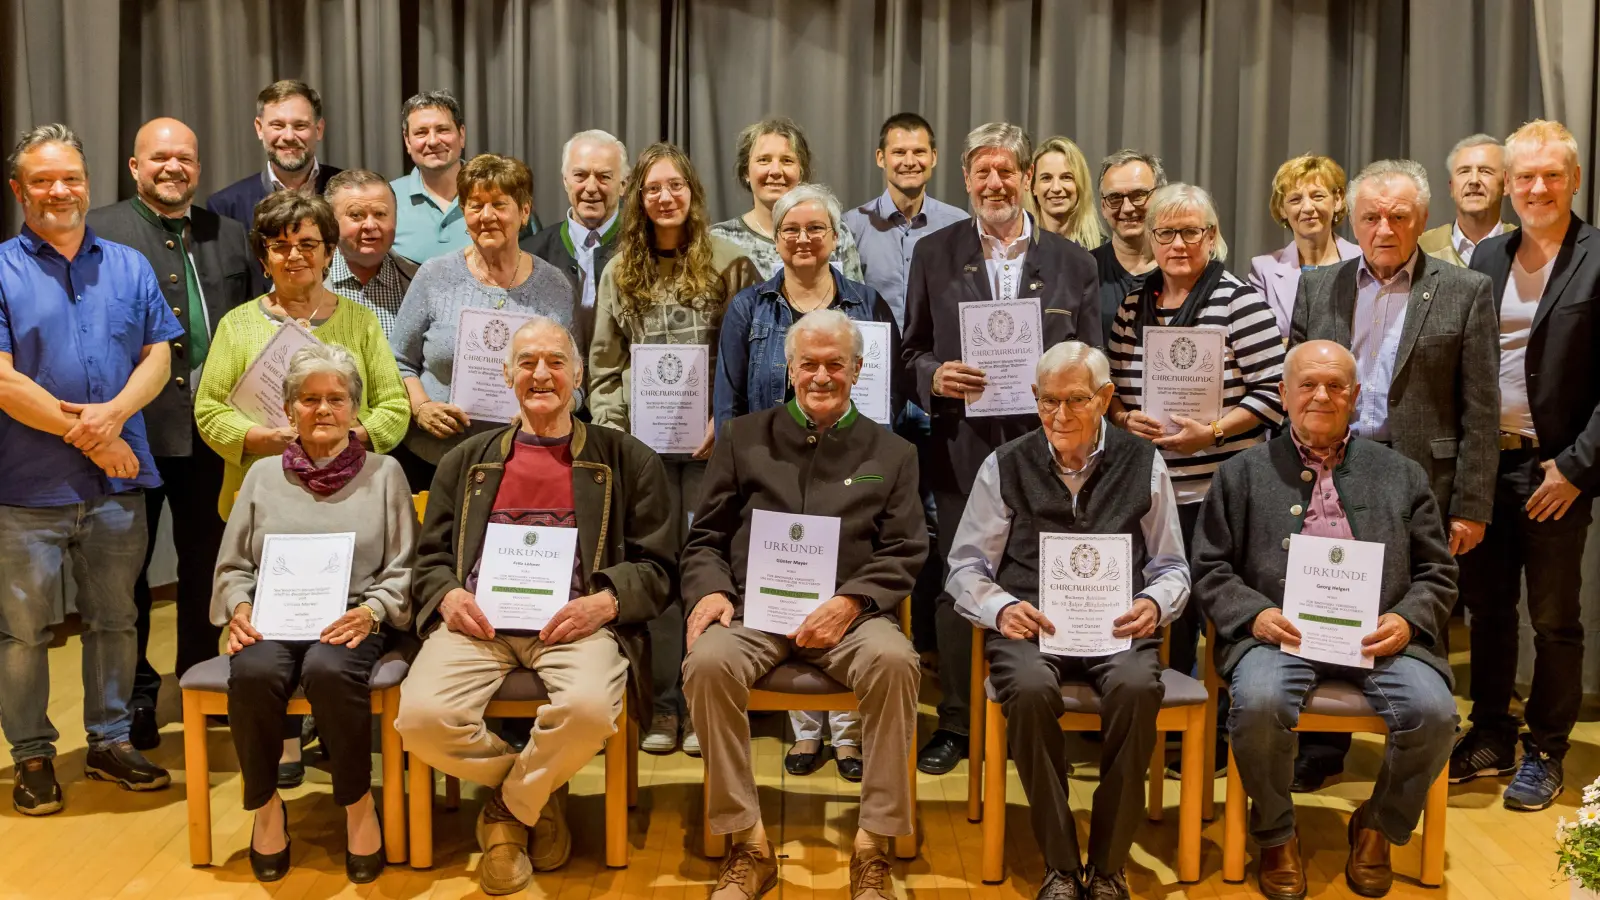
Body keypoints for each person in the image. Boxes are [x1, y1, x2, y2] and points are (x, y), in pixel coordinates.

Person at [395, 316, 674, 895]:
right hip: (479, 626)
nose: (541, 374)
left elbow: (660, 568)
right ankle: (533, 795)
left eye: (554, 362)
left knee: (592, 711)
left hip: (576, 626)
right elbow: (428, 560)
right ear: (506, 375)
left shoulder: (627, 459)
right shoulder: (465, 461)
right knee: (418, 720)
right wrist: (447, 594)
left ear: (577, 374)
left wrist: (605, 601)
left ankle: (506, 811)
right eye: (527, 363)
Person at [1193, 340, 1458, 900]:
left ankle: (1378, 827)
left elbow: (1439, 571)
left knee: (1435, 713)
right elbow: (1209, 568)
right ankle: (1275, 835)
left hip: (1381, 638)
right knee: (1260, 704)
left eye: (1336, 386)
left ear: (1356, 397)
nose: (1321, 395)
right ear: (1284, 395)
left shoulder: (1402, 474)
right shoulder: (1241, 474)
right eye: (1307, 384)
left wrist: (1408, 621)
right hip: (1277, 638)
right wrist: (1256, 614)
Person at [682, 309, 926, 900]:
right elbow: (705, 537)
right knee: (707, 664)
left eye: (834, 364)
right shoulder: (743, 438)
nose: (821, 375)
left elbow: (906, 548)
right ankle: (748, 843)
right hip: (753, 615)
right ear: (789, 370)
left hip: (853, 620)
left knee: (897, 664)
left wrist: (851, 601)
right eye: (809, 364)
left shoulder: (892, 453)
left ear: (857, 370)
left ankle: (873, 845)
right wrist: (711, 590)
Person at [949, 341, 1189, 900]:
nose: (1060, 415)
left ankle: (1107, 865)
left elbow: (1171, 564)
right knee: (1029, 691)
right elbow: (965, 566)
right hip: (1031, 626)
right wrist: (1002, 608)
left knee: (1135, 686)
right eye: (1047, 401)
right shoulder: (1005, 463)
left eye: (1076, 400)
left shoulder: (1142, 461)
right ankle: (1060, 863)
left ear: (1105, 398)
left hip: (1117, 626)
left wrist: (1154, 603)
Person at [1287, 159, 1498, 790]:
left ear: (1421, 220)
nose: (1384, 227)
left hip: (1419, 481)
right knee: (1327, 601)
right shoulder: (1317, 284)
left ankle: (1410, 744)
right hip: (1327, 470)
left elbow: (1480, 407)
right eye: (1371, 216)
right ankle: (1322, 749)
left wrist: (1472, 504)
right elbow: (1294, 389)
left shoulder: (1464, 290)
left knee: (1406, 612)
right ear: (1352, 221)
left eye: (1398, 216)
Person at [901, 121, 1099, 775]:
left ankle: (1031, 718)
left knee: (1043, 576)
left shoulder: (1073, 263)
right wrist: (934, 375)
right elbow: (910, 350)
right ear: (966, 179)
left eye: (1006, 171)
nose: (994, 183)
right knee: (963, 581)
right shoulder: (935, 252)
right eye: (982, 172)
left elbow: (1094, 360)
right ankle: (956, 721)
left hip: (1053, 451)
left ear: (1025, 177)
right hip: (964, 446)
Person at [0, 123, 180, 814]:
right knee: (22, 634)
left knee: (116, 618)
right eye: (42, 179)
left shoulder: (129, 266)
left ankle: (108, 742)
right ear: (20, 190)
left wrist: (111, 421)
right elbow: (5, 380)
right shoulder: (2, 270)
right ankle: (33, 755)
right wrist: (92, 433)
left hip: (116, 486)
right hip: (26, 490)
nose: (59, 191)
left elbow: (159, 355)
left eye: (70, 177)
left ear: (87, 182)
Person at [715, 182, 902, 780]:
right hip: (774, 465)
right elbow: (732, 401)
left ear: (834, 237)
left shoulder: (867, 302)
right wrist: (743, 457)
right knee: (784, 575)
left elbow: (889, 395)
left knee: (842, 574)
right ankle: (805, 735)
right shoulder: (750, 306)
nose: (803, 238)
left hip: (853, 462)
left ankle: (848, 741)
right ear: (775, 237)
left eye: (816, 228)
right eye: (791, 229)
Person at [214, 343, 414, 884]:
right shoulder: (260, 477)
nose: (323, 410)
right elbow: (232, 566)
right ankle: (266, 808)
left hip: (350, 618)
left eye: (336, 398)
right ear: (288, 409)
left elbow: (404, 568)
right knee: (254, 671)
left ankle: (356, 805)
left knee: (328, 669)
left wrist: (372, 613)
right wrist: (240, 608)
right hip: (272, 616)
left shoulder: (385, 472)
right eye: (308, 399)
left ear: (355, 408)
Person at [85, 116, 254, 750]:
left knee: (206, 569)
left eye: (184, 158)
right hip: (128, 432)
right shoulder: (100, 231)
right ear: (134, 167)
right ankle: (135, 699)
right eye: (159, 158)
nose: (172, 168)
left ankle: (199, 681)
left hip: (212, 434)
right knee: (124, 571)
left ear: (198, 167)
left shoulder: (231, 235)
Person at [589, 142, 759, 756]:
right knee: (656, 572)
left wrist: (729, 420)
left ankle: (703, 702)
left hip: (713, 452)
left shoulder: (732, 262)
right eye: (653, 188)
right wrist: (619, 435)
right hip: (645, 455)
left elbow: (754, 357)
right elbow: (603, 367)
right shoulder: (619, 269)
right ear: (638, 196)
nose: (665, 198)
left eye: (675, 187)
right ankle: (661, 707)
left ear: (693, 193)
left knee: (705, 572)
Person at [1455, 119, 1600, 812]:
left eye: (1551, 175)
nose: (1537, 187)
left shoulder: (1599, 259)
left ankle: (1545, 750)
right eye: (1525, 177)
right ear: (1508, 186)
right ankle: (1489, 732)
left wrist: (1573, 467)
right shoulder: (1486, 262)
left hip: (1557, 475)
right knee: (1486, 613)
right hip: (1488, 467)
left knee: (1553, 620)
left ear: (1573, 180)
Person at [1106, 182, 1285, 719]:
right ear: (1152, 238)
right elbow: (1111, 387)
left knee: (1222, 609)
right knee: (1167, 611)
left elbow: (1276, 392)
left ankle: (1226, 725)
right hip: (1153, 489)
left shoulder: (1240, 302)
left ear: (1211, 236)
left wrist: (1214, 432)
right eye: (1166, 233)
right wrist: (1121, 417)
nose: (1177, 244)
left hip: (1222, 487)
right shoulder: (1133, 305)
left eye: (1190, 232)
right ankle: (1168, 719)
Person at [194, 190, 410, 522]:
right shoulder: (235, 325)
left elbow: (394, 407)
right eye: (279, 246)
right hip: (262, 496)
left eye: (307, 244)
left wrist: (343, 439)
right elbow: (209, 411)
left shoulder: (361, 322)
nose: (294, 255)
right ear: (264, 260)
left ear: (329, 254)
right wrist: (265, 440)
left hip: (352, 494)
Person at [389, 154, 576, 491]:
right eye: (475, 205)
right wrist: (421, 407)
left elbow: (575, 376)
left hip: (524, 459)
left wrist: (545, 413)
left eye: (499, 205)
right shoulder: (435, 275)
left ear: (524, 212)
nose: (486, 217)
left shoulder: (554, 285)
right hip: (435, 459)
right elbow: (399, 359)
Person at [843, 112, 968, 330]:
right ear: (881, 158)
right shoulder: (851, 226)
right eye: (899, 152)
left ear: (934, 157)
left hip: (937, 360)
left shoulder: (959, 225)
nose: (910, 162)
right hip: (873, 357)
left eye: (919, 152)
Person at [712, 117, 864, 281]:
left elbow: (856, 302)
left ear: (801, 172)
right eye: (764, 160)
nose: (776, 171)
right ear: (746, 172)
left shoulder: (834, 233)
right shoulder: (718, 239)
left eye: (787, 160)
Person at [521, 130, 628, 357]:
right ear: (565, 181)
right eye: (580, 175)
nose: (591, 187)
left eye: (604, 177)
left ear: (623, 185)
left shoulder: (644, 250)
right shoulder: (530, 254)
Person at [1248, 154, 1362, 338]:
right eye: (1295, 200)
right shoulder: (1263, 270)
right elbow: (1259, 343)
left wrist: (1289, 343)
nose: (1308, 207)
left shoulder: (1364, 261)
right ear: (1282, 209)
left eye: (1318, 196)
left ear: (1338, 199)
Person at [209, 80, 343, 229]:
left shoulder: (352, 195)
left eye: (300, 126)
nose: (289, 136)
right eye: (277, 125)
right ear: (259, 129)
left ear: (319, 129)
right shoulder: (226, 208)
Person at [324, 169, 419, 337]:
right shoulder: (303, 281)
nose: (370, 225)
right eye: (356, 215)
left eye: (380, 214)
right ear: (330, 222)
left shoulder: (419, 282)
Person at [1091, 150, 1164, 346]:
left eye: (1139, 195)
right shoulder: (1084, 270)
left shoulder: (1183, 269)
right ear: (1103, 207)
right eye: (1114, 197)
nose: (1127, 208)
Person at [391, 90, 471, 262]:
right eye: (421, 132)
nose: (433, 141)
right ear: (407, 141)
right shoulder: (386, 199)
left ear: (461, 135)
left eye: (442, 130)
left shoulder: (496, 193)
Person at [1419, 134, 1518, 267]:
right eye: (1464, 171)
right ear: (1452, 186)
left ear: (1506, 184)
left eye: (1485, 171)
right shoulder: (1421, 249)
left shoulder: (1524, 246)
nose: (1473, 181)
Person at [1027, 136, 1105, 250]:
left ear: (1080, 184)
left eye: (1066, 177)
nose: (1056, 188)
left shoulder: (1101, 251)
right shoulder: (1019, 250)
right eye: (1046, 178)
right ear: (1033, 186)